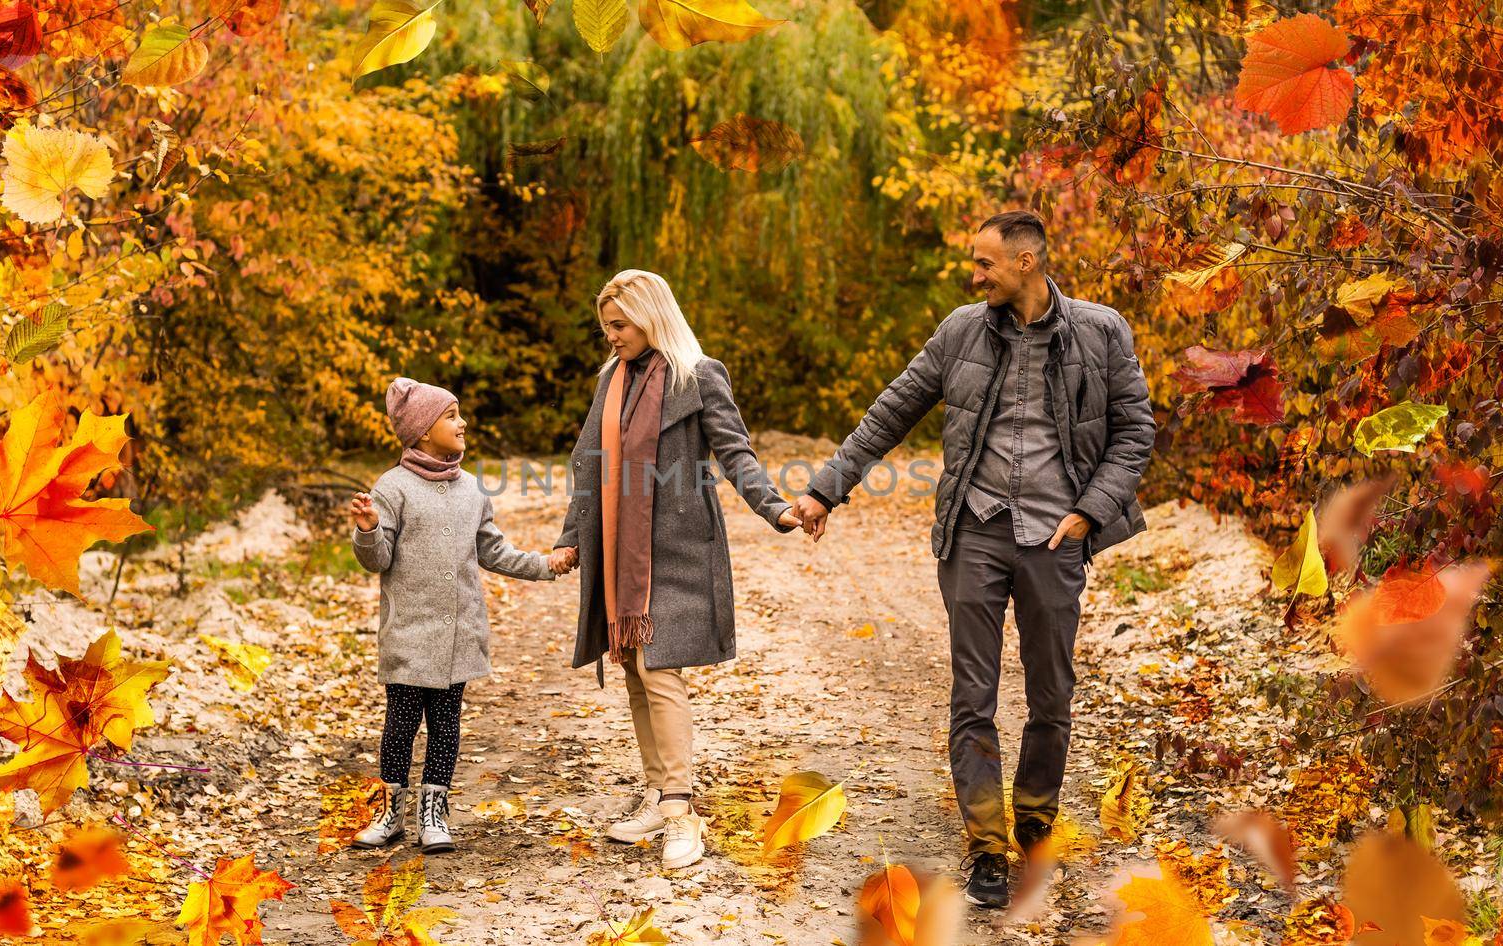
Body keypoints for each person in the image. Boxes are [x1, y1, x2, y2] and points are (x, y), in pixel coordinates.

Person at [792, 211, 1155, 907]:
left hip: (1057, 538)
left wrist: (1091, 511)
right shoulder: (961, 331)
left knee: (1051, 692)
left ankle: (1036, 815)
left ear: (1026, 263)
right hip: (976, 534)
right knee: (973, 697)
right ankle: (988, 846)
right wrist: (824, 490)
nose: (973, 274)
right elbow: (892, 409)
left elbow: (1135, 430)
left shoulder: (1101, 331)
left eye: (985, 262)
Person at [553, 269, 803, 870]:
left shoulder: (698, 375)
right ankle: (657, 791)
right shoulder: (610, 380)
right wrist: (570, 537)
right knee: (636, 670)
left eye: (619, 325)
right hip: (620, 546)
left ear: (651, 317)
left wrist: (775, 508)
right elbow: (588, 462)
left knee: (659, 670)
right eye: (605, 327)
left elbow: (735, 451)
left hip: (678, 546)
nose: (610, 337)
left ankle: (681, 811)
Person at [348, 377, 575, 853]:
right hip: (410, 632)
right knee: (401, 722)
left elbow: (492, 550)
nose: (462, 422)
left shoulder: (472, 488)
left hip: (459, 632)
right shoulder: (392, 487)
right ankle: (391, 811)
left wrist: (544, 565)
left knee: (447, 722)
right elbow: (378, 559)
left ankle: (435, 812)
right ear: (423, 430)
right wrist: (368, 530)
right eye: (451, 416)